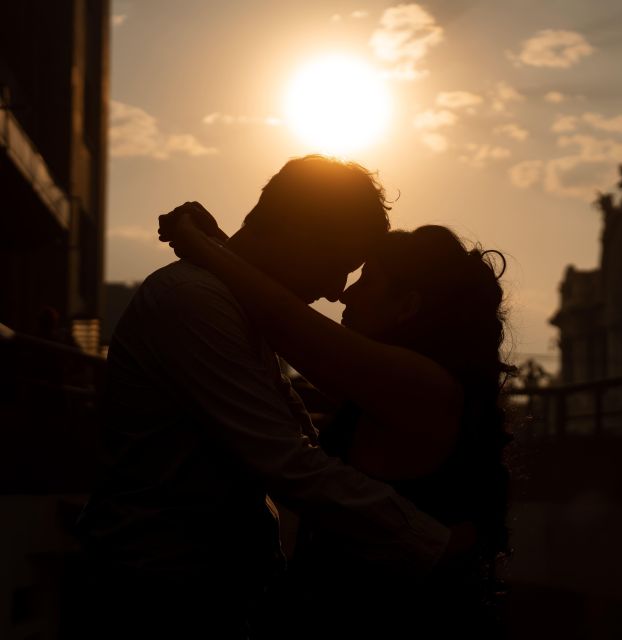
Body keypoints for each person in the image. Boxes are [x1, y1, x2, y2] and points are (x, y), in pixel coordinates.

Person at [74, 156, 473, 639]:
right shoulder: (195, 301)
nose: (334, 291)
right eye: (339, 265)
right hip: (157, 598)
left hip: (190, 592)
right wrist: (431, 543)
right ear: (302, 233)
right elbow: (283, 457)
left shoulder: (234, 307)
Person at [159, 205, 514, 636]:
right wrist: (221, 246)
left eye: (368, 279)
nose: (345, 294)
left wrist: (203, 246)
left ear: (406, 307)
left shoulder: (422, 384)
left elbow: (284, 320)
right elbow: (281, 321)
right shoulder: (398, 383)